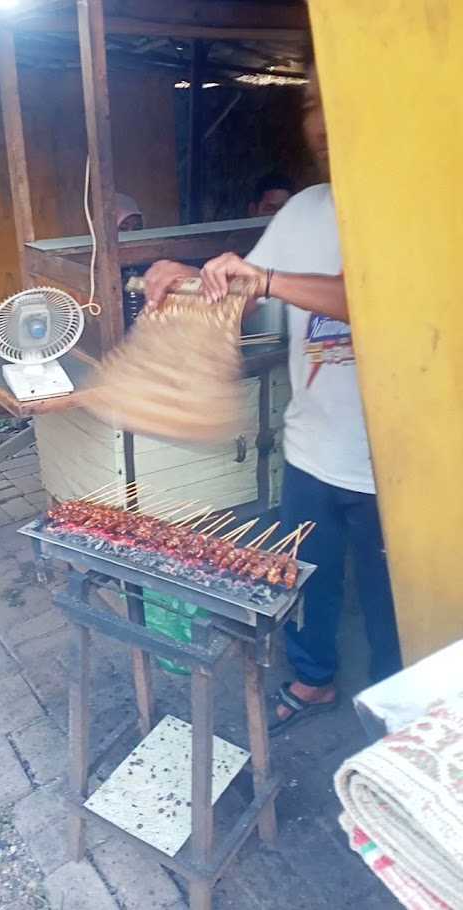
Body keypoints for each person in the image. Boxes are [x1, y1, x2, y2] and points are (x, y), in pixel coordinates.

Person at [144, 62, 402, 735]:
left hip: (398, 467)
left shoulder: (417, 212)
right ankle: (313, 681)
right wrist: (178, 281)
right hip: (313, 448)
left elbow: (376, 299)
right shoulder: (305, 209)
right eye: (317, 112)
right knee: (307, 583)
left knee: (391, 607)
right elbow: (253, 301)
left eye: (338, 108)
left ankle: (399, 727)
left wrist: (266, 278)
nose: (323, 128)